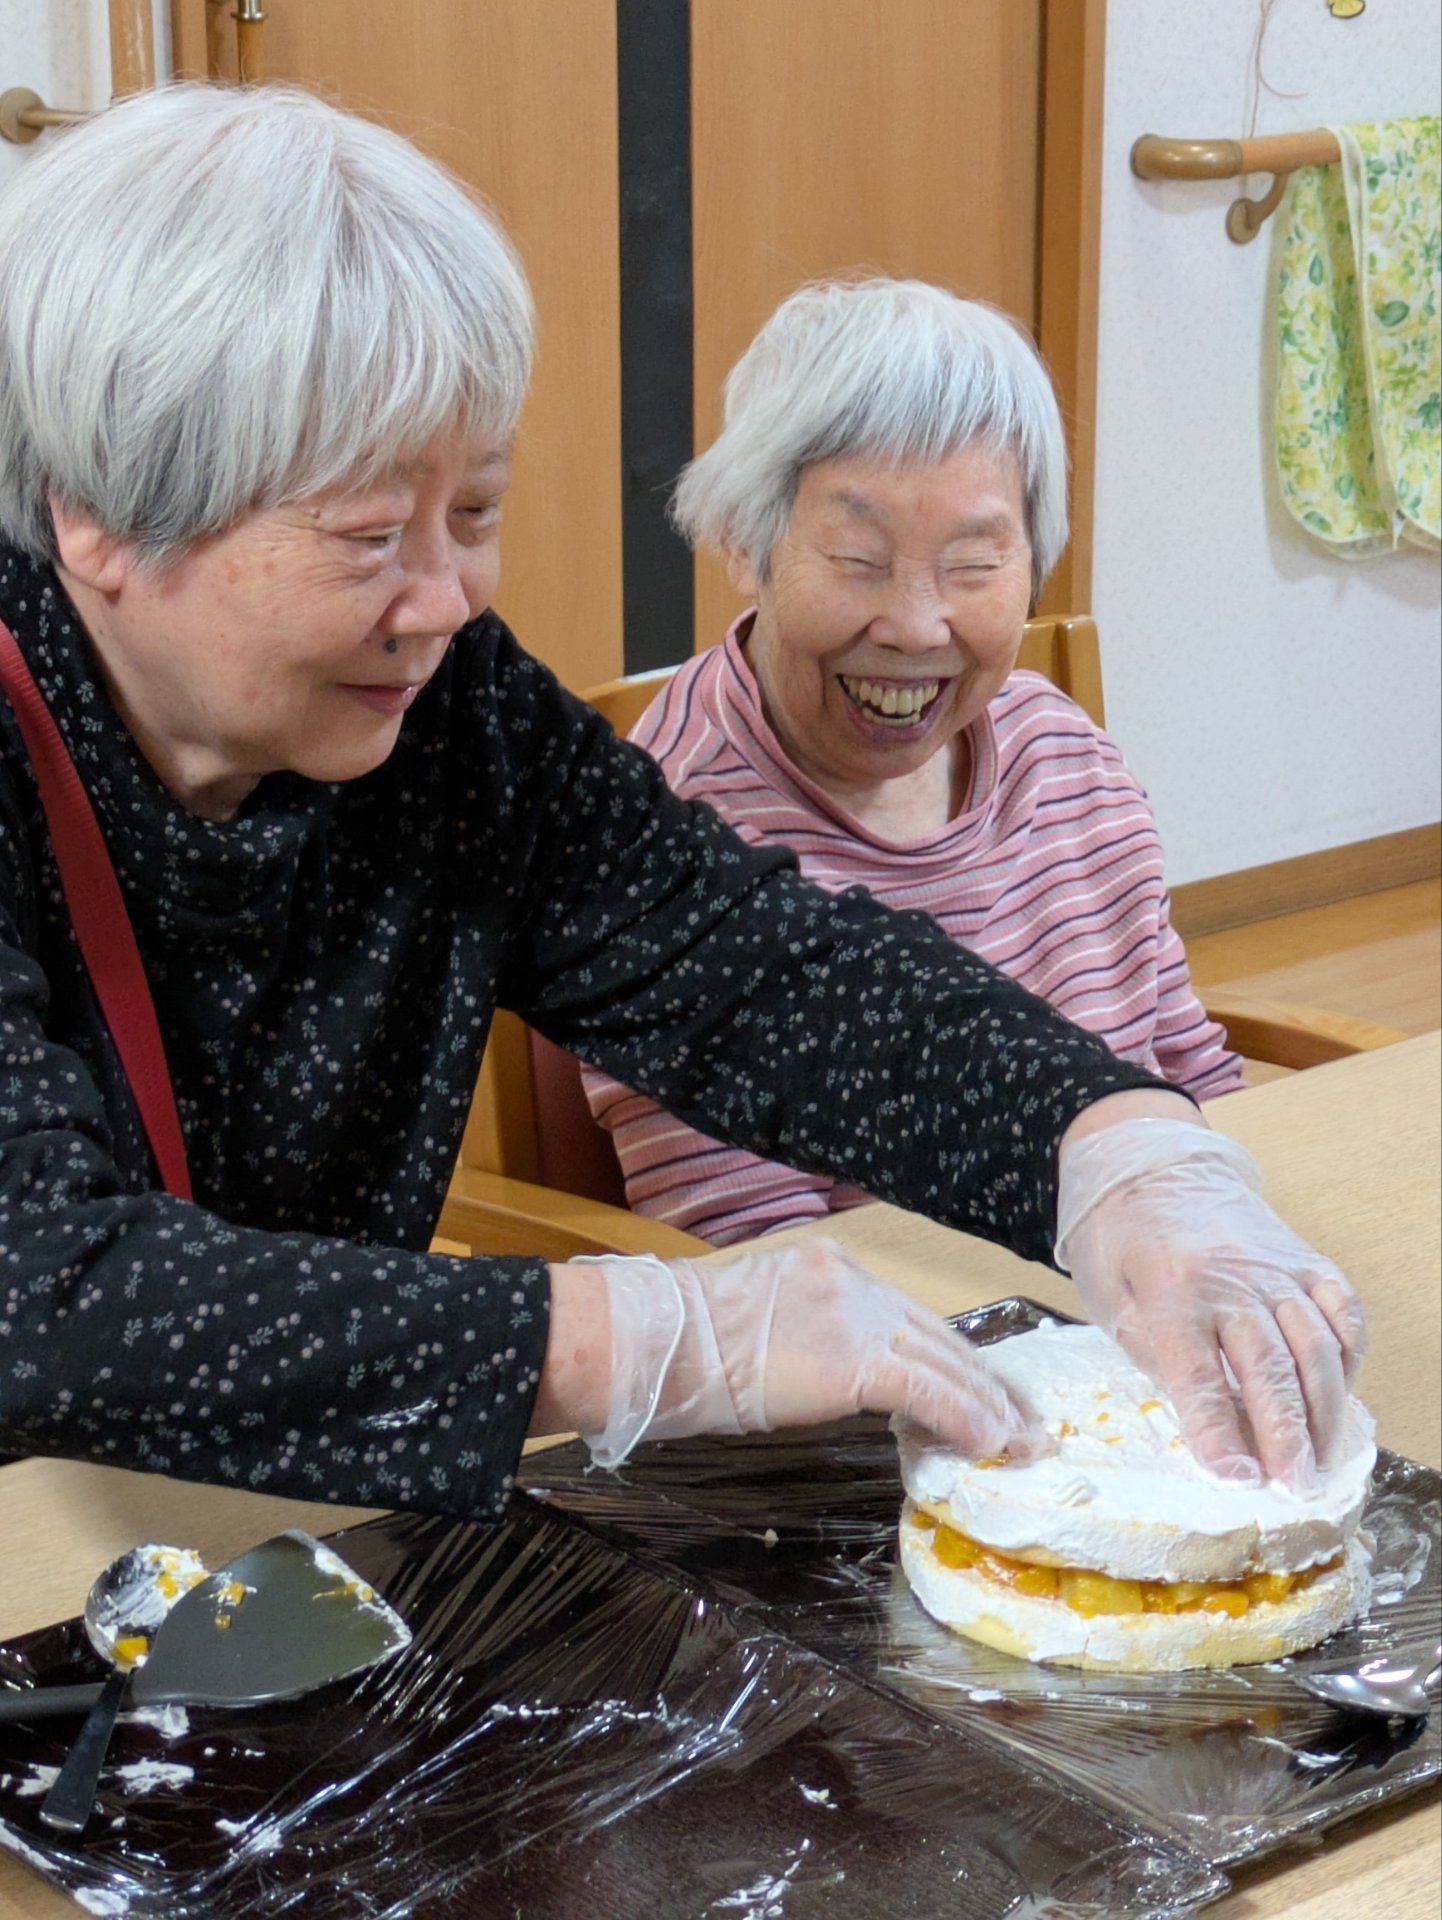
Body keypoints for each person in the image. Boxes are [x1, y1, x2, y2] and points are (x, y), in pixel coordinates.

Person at [0, 88, 1360, 1532]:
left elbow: (742, 962)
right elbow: (40, 1289)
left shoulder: (443, 708)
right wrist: (625, 1339)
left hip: (262, 1520)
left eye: (475, 512)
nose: (450, 597)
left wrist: (1105, 1143)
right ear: (98, 516)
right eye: (366, 536)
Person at [583, 279, 1245, 1252]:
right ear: (742, 540)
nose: (914, 625)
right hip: (880, 1347)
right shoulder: (669, 833)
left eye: (974, 566)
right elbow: (751, 1244)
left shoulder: (1060, 754)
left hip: (1131, 1286)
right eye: (856, 557)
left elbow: (1184, 1069)